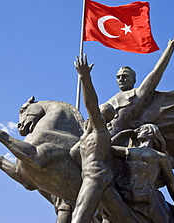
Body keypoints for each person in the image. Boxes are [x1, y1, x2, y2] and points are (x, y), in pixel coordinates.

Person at [71, 55, 140, 223]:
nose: (92, 116)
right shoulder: (87, 137)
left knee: (78, 218)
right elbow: (74, 153)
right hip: (101, 177)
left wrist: (85, 77)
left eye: (98, 113)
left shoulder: (100, 131)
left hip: (94, 177)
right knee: (124, 218)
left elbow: (91, 104)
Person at [106, 28, 174, 137]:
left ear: (133, 80)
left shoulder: (137, 94)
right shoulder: (111, 100)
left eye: (125, 76)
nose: (121, 79)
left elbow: (156, 73)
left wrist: (170, 48)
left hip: (118, 140)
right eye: (118, 77)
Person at [111, 123, 174, 223]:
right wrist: (122, 134)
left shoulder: (161, 157)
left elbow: (171, 183)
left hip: (148, 199)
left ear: (151, 133)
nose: (138, 131)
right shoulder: (129, 151)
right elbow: (103, 148)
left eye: (142, 129)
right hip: (125, 194)